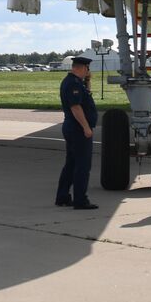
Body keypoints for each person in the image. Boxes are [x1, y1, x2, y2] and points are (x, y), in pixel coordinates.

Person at [56, 55, 98, 210]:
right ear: (83, 68)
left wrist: (87, 81)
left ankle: (63, 197)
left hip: (72, 128)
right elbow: (76, 107)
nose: (88, 72)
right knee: (82, 165)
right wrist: (86, 127)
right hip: (77, 129)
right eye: (87, 69)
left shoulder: (75, 82)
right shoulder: (73, 84)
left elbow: (84, 98)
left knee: (71, 163)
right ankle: (80, 200)